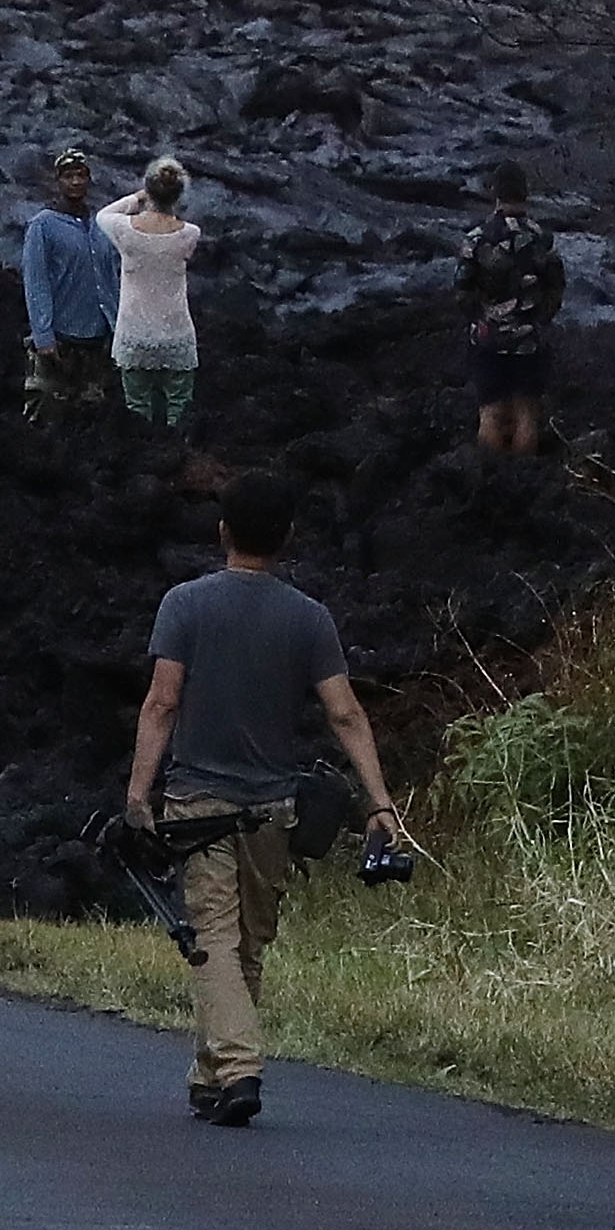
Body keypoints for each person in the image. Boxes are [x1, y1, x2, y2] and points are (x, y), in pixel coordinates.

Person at [121, 468, 413, 1128]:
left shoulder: (184, 604)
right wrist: (381, 801)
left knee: (214, 940)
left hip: (196, 804)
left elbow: (162, 701)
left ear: (222, 530)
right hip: (272, 811)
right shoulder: (308, 618)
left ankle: (240, 1066)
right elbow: (344, 714)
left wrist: (139, 790)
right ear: (287, 537)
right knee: (246, 943)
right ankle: (211, 1077)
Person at [458, 163, 562, 457]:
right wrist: (540, 318)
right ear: (525, 193)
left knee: (490, 413)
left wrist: (480, 318)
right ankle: (524, 481)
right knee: (527, 415)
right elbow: (556, 286)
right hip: (530, 338)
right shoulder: (542, 237)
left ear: (495, 193)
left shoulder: (477, 238)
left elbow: (462, 290)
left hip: (488, 337)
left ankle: (490, 480)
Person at [101, 160, 207, 436]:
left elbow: (102, 215)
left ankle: (143, 467)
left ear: (149, 189)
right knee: (179, 407)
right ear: (179, 194)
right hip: (176, 336)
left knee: (137, 409)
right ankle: (178, 461)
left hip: (134, 335)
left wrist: (137, 197)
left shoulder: (124, 230)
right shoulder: (189, 234)